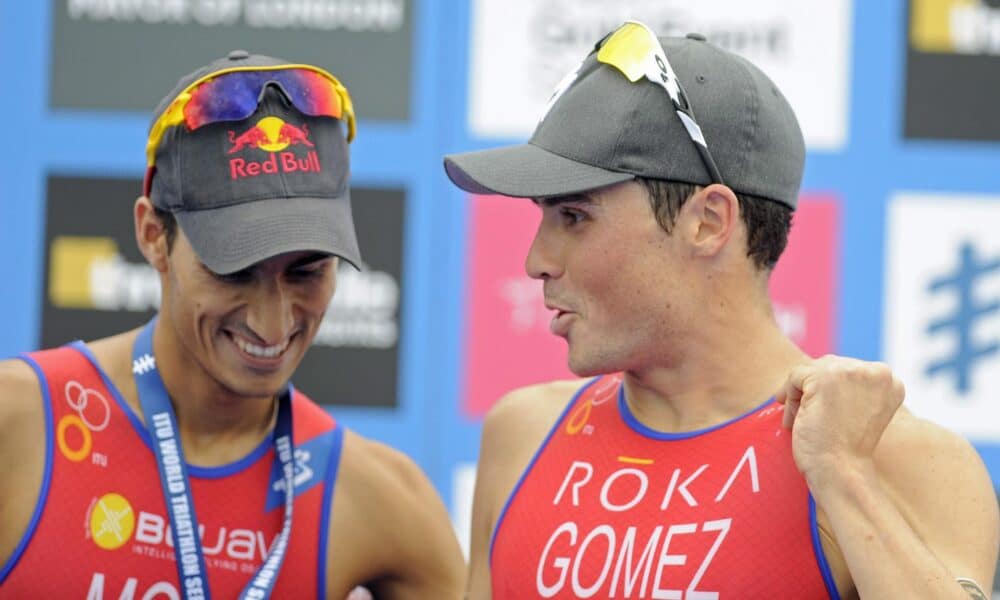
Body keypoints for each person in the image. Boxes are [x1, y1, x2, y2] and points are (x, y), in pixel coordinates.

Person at [443, 21, 998, 599]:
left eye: (574, 217)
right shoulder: (523, 435)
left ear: (707, 222)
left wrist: (845, 477)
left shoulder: (900, 459)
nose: (536, 261)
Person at [0, 51, 464, 598]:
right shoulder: (17, 423)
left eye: (307, 271)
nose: (273, 323)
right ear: (153, 236)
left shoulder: (381, 501)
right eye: (234, 271)